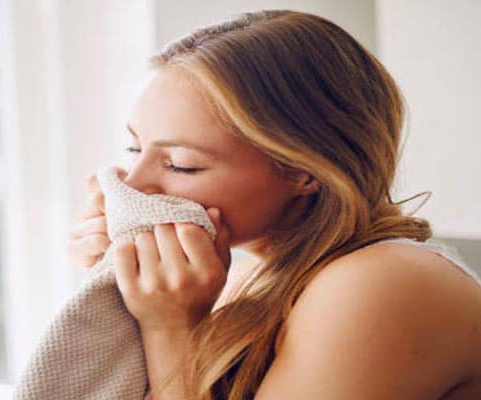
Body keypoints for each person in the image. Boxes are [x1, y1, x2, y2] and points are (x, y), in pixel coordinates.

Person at [67, 9, 481, 400]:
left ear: (304, 170)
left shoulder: (383, 284)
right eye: (134, 148)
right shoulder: (242, 281)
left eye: (181, 164)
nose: (135, 185)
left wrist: (169, 328)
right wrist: (120, 290)